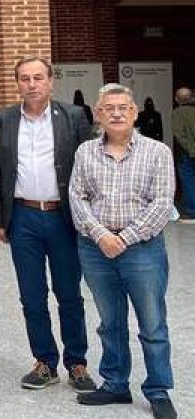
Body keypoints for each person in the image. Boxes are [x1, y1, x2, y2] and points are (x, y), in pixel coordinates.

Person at [0, 56, 96, 392]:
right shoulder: (3, 119)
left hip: (64, 218)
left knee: (69, 295)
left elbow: (88, 168)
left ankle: (76, 363)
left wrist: (88, 218)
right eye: (24, 78)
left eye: (38, 78)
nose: (31, 84)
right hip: (23, 218)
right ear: (16, 83)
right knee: (31, 296)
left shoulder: (74, 116)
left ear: (51, 81)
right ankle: (45, 362)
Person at [70, 84, 177, 419]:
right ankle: (115, 384)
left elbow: (162, 203)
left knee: (153, 323)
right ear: (98, 114)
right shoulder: (85, 152)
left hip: (143, 250)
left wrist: (125, 238)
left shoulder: (158, 152)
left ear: (134, 112)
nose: (116, 113)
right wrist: (102, 236)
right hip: (95, 249)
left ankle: (158, 390)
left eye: (123, 107)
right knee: (110, 321)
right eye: (109, 108)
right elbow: (77, 196)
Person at [171, 87, 195, 223]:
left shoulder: (178, 112)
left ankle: (192, 212)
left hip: (187, 154)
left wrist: (190, 150)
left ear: (177, 99)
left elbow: (180, 135)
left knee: (188, 181)